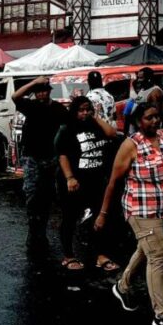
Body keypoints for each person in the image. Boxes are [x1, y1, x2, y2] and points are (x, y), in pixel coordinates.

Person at [96, 101, 163, 325]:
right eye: (148, 118)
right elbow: (113, 182)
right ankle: (160, 314)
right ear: (137, 121)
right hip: (140, 209)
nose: (154, 121)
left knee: (145, 250)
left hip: (162, 206)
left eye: (156, 117)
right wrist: (103, 214)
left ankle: (122, 287)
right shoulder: (130, 145)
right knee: (157, 256)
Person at [55, 95, 120, 272]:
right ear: (74, 112)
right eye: (81, 110)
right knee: (70, 217)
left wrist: (96, 116)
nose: (84, 113)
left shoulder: (96, 125)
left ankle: (100, 254)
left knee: (100, 216)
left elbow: (112, 134)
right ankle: (69, 256)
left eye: (87, 109)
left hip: (96, 180)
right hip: (74, 181)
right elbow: (63, 155)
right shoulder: (68, 129)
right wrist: (70, 178)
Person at [13, 76, 69, 248]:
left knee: (47, 195)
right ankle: (33, 230)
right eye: (38, 92)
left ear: (49, 92)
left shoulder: (58, 108)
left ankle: (42, 231)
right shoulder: (30, 106)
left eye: (44, 90)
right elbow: (15, 97)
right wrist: (33, 83)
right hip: (32, 157)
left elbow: (68, 128)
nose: (42, 94)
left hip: (51, 158)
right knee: (31, 194)